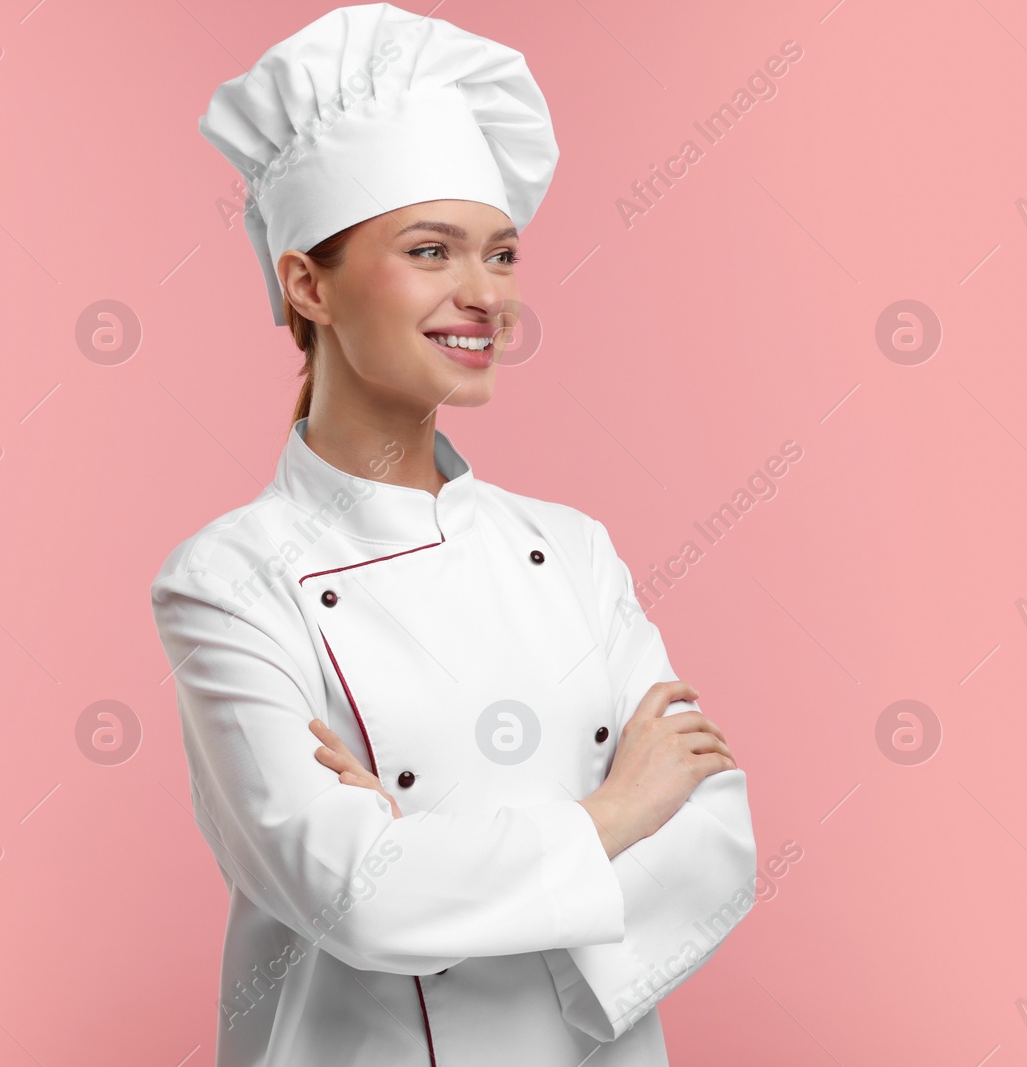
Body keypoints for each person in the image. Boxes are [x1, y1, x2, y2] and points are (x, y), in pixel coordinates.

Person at [149, 6, 757, 1065]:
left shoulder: (574, 551)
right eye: (430, 250)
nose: (486, 295)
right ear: (307, 284)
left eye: (502, 254)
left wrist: (419, 860)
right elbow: (352, 895)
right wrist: (612, 813)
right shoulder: (228, 581)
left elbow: (713, 837)